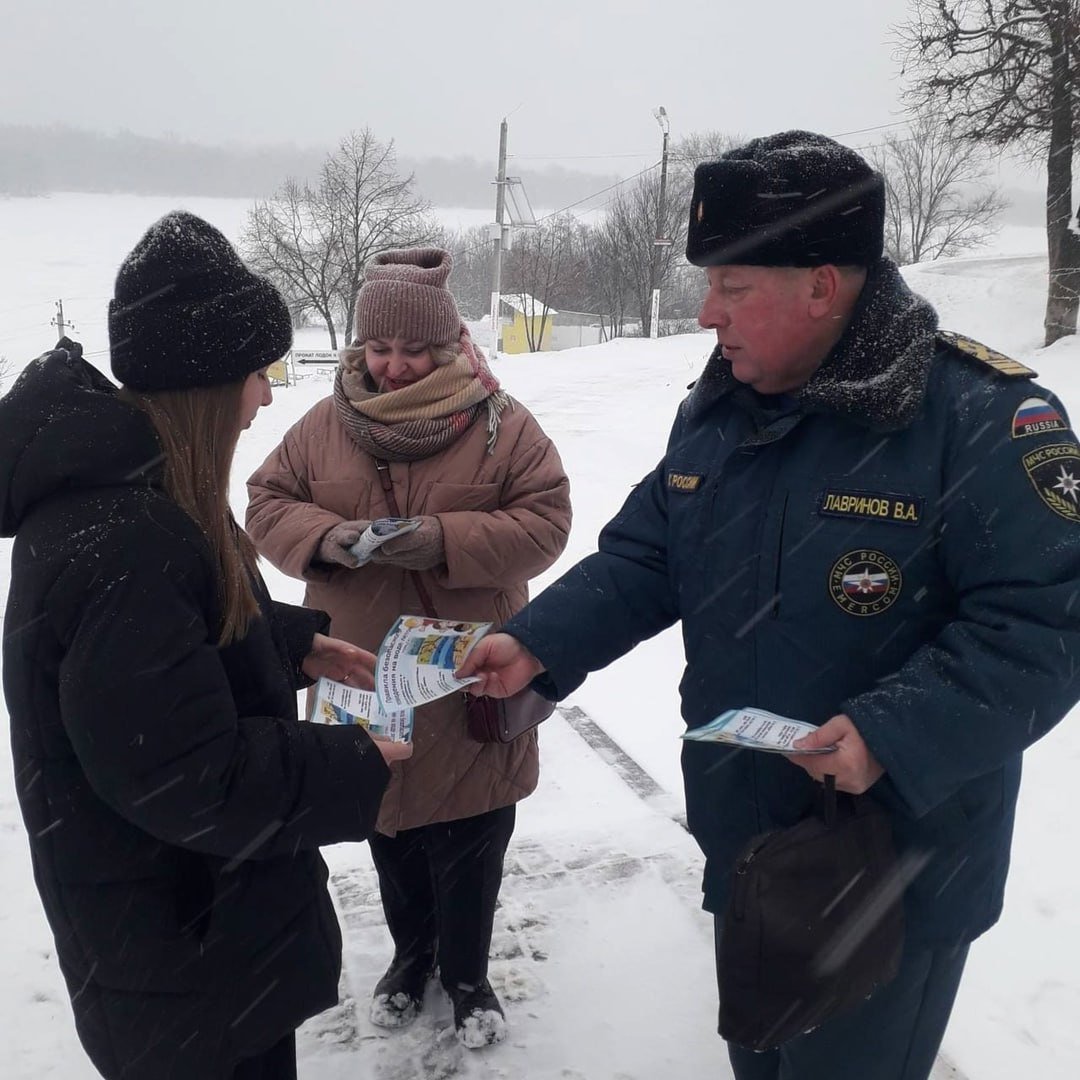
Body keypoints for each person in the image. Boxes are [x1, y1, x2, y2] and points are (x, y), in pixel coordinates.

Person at [456, 131, 1080, 1080]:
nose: (707, 313)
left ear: (821, 285)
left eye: (732, 288)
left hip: (888, 871)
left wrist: (888, 736)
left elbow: (1045, 625)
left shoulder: (980, 417)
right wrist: (537, 642)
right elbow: (648, 555)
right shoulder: (723, 406)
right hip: (746, 843)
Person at [0, 212, 412, 1080]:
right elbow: (186, 772)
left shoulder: (140, 495)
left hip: (204, 948)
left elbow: (172, 656)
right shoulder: (123, 537)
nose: (266, 396)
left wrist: (289, 644)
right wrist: (352, 765)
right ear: (203, 385)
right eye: (256, 373)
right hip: (186, 967)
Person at [245, 247, 571, 1048]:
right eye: (379, 349)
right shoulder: (324, 424)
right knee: (389, 828)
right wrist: (329, 537)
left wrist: (443, 540)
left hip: (468, 678)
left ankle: (468, 976)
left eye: (413, 350)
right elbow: (265, 502)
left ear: (449, 344)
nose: (393, 367)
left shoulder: (502, 424)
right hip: (362, 675)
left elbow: (547, 522)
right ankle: (410, 957)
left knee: (473, 834)